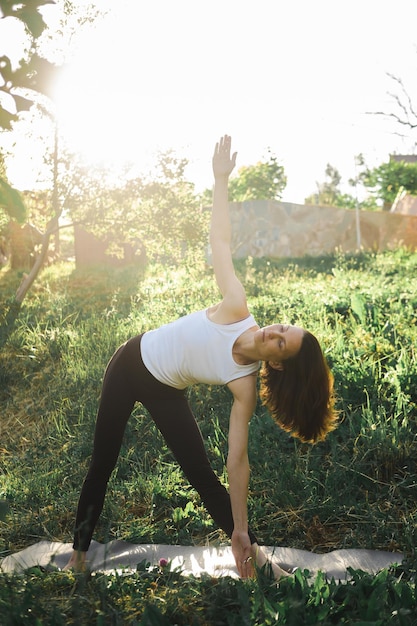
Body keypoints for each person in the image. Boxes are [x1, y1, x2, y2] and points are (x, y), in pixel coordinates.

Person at [65, 135, 337, 578]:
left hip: (166, 388)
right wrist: (220, 181)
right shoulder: (236, 307)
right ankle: (78, 558)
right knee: (104, 460)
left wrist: (242, 526)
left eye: (281, 343)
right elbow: (221, 242)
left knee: (201, 474)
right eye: (284, 328)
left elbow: (237, 462)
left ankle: (254, 560)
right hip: (131, 362)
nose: (275, 332)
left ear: (279, 363)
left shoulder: (244, 385)